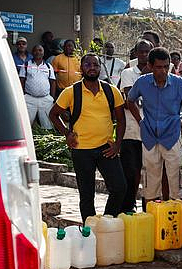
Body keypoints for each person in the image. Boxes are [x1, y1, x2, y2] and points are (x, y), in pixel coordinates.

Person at [49, 54, 127, 221]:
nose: (92, 67)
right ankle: (89, 230)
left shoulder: (111, 91)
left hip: (106, 148)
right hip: (81, 149)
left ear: (100, 68)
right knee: (87, 194)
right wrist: (67, 133)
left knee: (120, 187)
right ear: (81, 68)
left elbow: (121, 120)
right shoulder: (71, 92)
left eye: (95, 64)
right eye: (88, 64)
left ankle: (107, 222)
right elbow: (54, 114)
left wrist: (117, 144)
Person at [126, 47, 182, 202]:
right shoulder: (142, 82)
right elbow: (130, 101)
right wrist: (140, 122)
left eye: (166, 66)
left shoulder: (178, 83)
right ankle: (151, 215)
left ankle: (175, 216)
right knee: (151, 179)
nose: (163, 71)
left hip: (172, 135)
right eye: (158, 67)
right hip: (149, 134)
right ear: (150, 66)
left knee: (175, 177)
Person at [118, 40, 151, 212]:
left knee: (148, 174)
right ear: (136, 53)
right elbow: (135, 99)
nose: (145, 55)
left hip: (151, 133)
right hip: (131, 132)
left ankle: (148, 209)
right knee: (131, 173)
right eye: (142, 52)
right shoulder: (129, 73)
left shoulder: (159, 74)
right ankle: (127, 207)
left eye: (148, 52)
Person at [20, 44, 56, 129]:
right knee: (26, 124)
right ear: (32, 52)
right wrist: (22, 96)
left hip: (45, 99)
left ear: (43, 53)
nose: (38, 52)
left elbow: (53, 82)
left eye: (40, 50)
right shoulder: (26, 65)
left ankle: (47, 140)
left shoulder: (48, 66)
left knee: (48, 125)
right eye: (36, 50)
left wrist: (52, 97)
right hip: (29, 98)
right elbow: (21, 81)